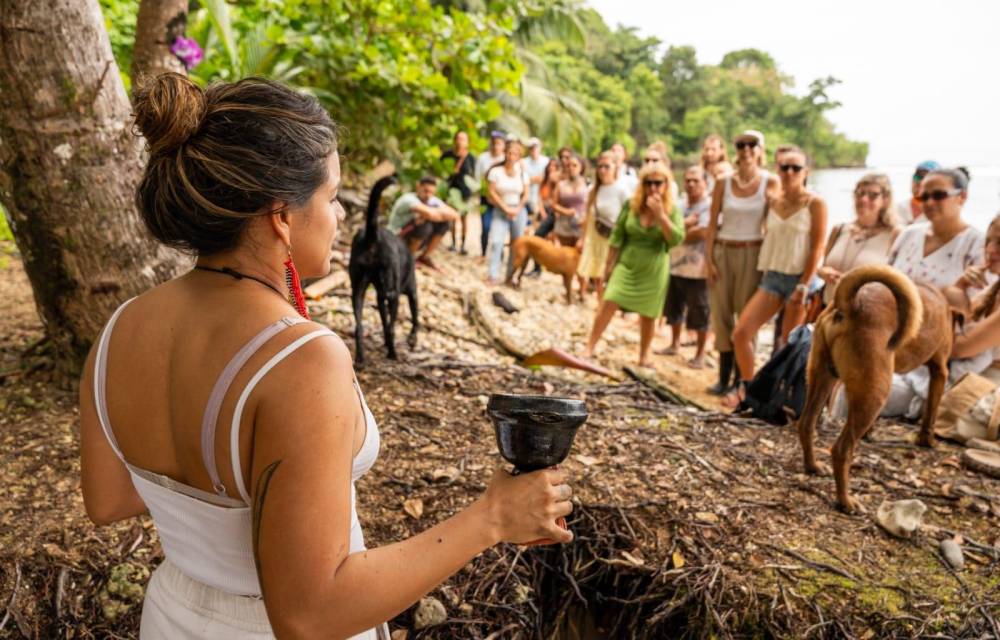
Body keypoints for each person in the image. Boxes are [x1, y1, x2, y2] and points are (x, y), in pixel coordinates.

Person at [80, 74, 573, 639]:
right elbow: (309, 615)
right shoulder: (301, 360)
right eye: (332, 196)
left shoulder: (118, 330)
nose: (341, 216)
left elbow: (110, 499)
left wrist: (215, 517)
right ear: (282, 214)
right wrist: (493, 517)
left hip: (173, 616)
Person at [874, 167, 985, 419]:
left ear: (962, 197)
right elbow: (884, 282)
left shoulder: (977, 245)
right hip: (888, 340)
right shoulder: (908, 235)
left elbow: (975, 316)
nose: (929, 203)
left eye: (938, 195)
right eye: (923, 197)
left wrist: (952, 293)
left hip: (937, 356)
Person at [725, 146, 827, 406]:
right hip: (773, 277)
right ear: (777, 170)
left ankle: (783, 400)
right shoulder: (773, 200)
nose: (790, 172)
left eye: (796, 168)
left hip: (799, 280)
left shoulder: (816, 203)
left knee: (788, 345)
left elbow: (817, 248)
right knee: (741, 333)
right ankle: (749, 390)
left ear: (806, 172)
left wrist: (804, 286)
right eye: (784, 167)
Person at [582, 161, 685, 367]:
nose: (653, 188)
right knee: (609, 300)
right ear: (642, 184)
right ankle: (590, 346)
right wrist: (608, 266)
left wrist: (661, 216)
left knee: (648, 313)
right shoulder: (631, 205)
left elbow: (676, 239)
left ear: (666, 185)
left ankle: (644, 355)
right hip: (628, 263)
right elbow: (617, 235)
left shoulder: (671, 209)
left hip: (653, 268)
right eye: (648, 183)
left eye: (658, 183)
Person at [704, 130, 780, 395]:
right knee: (721, 313)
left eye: (752, 144)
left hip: (753, 253)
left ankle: (741, 380)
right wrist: (708, 260)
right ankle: (723, 378)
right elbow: (712, 224)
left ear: (760, 149)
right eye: (741, 144)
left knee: (745, 319)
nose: (746, 149)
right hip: (724, 250)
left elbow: (774, 225)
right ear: (735, 149)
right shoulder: (723, 182)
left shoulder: (770, 182)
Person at [658, 166, 713, 368]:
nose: (690, 184)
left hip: (699, 268)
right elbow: (665, 231)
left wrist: (677, 230)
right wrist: (685, 226)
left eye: (696, 180)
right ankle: (674, 344)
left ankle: (700, 354)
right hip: (674, 264)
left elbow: (702, 233)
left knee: (700, 311)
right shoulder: (678, 204)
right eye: (688, 180)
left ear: (705, 183)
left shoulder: (709, 206)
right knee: (674, 307)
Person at [817, 173, 900, 305]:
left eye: (873, 195)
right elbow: (822, 268)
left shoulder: (895, 235)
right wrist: (823, 273)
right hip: (828, 311)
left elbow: (896, 284)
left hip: (864, 317)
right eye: (860, 193)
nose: (864, 199)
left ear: (885, 200)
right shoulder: (839, 229)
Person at [948, 214, 1000, 381]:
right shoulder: (991, 291)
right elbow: (952, 325)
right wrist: (961, 285)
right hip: (965, 383)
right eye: (988, 241)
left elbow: (959, 347)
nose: (990, 250)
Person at [578, 150, 631, 300]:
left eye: (606, 166)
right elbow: (587, 215)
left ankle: (610, 304)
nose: (602, 170)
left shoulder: (622, 190)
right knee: (595, 271)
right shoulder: (593, 189)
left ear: (615, 167)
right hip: (595, 235)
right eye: (600, 166)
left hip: (613, 237)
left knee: (609, 273)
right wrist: (582, 238)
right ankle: (599, 302)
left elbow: (629, 217)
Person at [387, 175, 460, 270]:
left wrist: (433, 214)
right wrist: (436, 213)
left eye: (431, 192)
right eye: (425, 191)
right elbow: (430, 214)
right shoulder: (408, 199)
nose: (428, 195)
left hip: (413, 235)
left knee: (444, 224)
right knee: (425, 225)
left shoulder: (432, 200)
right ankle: (408, 259)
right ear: (418, 186)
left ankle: (424, 257)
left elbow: (454, 215)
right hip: (395, 236)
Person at [486, 140, 530, 284]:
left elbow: (526, 194)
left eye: (515, 154)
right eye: (509, 153)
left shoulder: (523, 173)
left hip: (518, 209)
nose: (511, 156)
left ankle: (510, 275)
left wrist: (517, 209)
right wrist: (505, 208)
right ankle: (493, 274)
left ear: (519, 156)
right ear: (505, 153)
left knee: (516, 244)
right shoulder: (495, 171)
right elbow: (491, 192)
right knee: (497, 241)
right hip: (501, 209)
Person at [441, 131, 476, 255]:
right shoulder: (447, 155)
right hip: (451, 191)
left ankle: (463, 244)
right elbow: (442, 172)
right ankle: (453, 243)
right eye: (458, 138)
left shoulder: (471, 157)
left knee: (464, 219)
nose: (460, 141)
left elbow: (473, 176)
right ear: (455, 140)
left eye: (463, 139)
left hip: (465, 192)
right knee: (452, 218)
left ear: (467, 142)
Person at [475, 131, 506, 256]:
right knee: (486, 226)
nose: (495, 146)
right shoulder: (483, 158)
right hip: (486, 198)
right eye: (493, 143)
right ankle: (483, 252)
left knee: (500, 227)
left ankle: (499, 252)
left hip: (501, 198)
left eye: (498, 143)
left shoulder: (506, 159)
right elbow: (477, 178)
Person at [551, 152, 588, 247]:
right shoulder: (561, 185)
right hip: (563, 227)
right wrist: (566, 211)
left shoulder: (587, 185)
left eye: (574, 165)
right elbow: (554, 205)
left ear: (581, 167)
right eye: (568, 166)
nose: (571, 168)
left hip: (580, 227)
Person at [896, 160, 941, 225]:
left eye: (926, 178)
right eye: (917, 177)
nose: (920, 182)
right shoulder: (896, 208)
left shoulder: (940, 214)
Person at [523, 137, 550, 220]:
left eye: (536, 147)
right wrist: (536, 179)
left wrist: (531, 179)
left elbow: (546, 179)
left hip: (543, 198)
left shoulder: (546, 161)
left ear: (540, 147)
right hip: (528, 198)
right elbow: (524, 180)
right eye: (531, 148)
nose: (534, 150)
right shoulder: (523, 162)